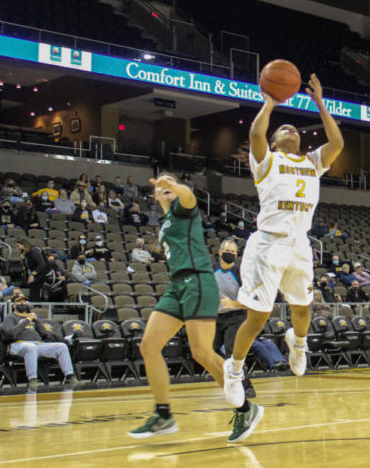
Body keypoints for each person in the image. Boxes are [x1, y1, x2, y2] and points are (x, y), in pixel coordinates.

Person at [222, 73, 342, 437]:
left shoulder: (312, 162)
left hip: (299, 244)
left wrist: (320, 102)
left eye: (295, 128)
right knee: (257, 319)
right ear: (275, 140)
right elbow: (255, 134)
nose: (291, 129)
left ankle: (298, 344)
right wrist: (272, 100)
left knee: (302, 310)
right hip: (268, 244)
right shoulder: (266, 160)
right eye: (283, 128)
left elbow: (336, 141)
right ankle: (234, 370)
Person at [127, 173, 252, 442]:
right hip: (177, 285)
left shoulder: (184, 209)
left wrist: (174, 187)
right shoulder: (165, 221)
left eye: (169, 181)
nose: (165, 185)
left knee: (202, 353)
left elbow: (189, 196)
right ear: (155, 196)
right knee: (148, 346)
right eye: (161, 185)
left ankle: (245, 408)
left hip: (197, 279)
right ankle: (163, 414)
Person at [1, 293, 79, 389]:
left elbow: (45, 333)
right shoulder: (10, 317)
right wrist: (26, 320)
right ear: (14, 305)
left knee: (61, 346)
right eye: (19, 301)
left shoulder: (31, 317)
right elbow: (11, 333)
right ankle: (32, 379)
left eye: (24, 301)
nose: (22, 303)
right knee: (31, 347)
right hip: (17, 345)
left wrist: (37, 320)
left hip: (38, 344)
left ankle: (70, 376)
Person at [213, 240, 257, 397]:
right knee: (209, 350)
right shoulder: (211, 271)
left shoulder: (240, 274)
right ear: (219, 252)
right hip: (216, 317)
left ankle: (247, 387)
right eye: (227, 251)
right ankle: (228, 378)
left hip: (236, 317)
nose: (230, 254)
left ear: (236, 255)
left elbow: (251, 301)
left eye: (233, 252)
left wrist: (234, 303)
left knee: (232, 353)